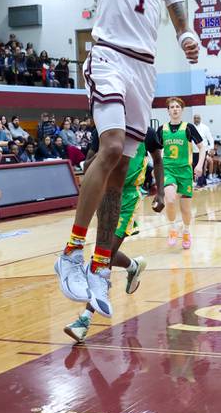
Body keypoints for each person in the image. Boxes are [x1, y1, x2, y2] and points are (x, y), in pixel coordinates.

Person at [46, 0, 198, 317]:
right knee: (109, 146)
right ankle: (70, 252)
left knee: (120, 173)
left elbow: (178, 16)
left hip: (145, 70)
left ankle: (100, 266)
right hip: (108, 55)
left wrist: (188, 38)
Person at [65, 126, 165, 344]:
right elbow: (88, 164)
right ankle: (133, 266)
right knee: (106, 253)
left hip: (128, 196)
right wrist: (103, 159)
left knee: (103, 256)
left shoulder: (144, 130)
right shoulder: (103, 129)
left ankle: (85, 320)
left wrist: (161, 193)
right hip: (106, 194)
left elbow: (157, 160)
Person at [160, 98, 205, 248]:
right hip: (168, 169)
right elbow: (155, 151)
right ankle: (172, 228)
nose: (174, 109)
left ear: (182, 110)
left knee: (185, 209)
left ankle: (186, 231)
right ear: (168, 111)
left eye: (177, 107)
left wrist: (199, 165)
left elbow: (202, 147)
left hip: (185, 171)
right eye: (172, 107)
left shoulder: (188, 127)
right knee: (170, 200)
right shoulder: (162, 129)